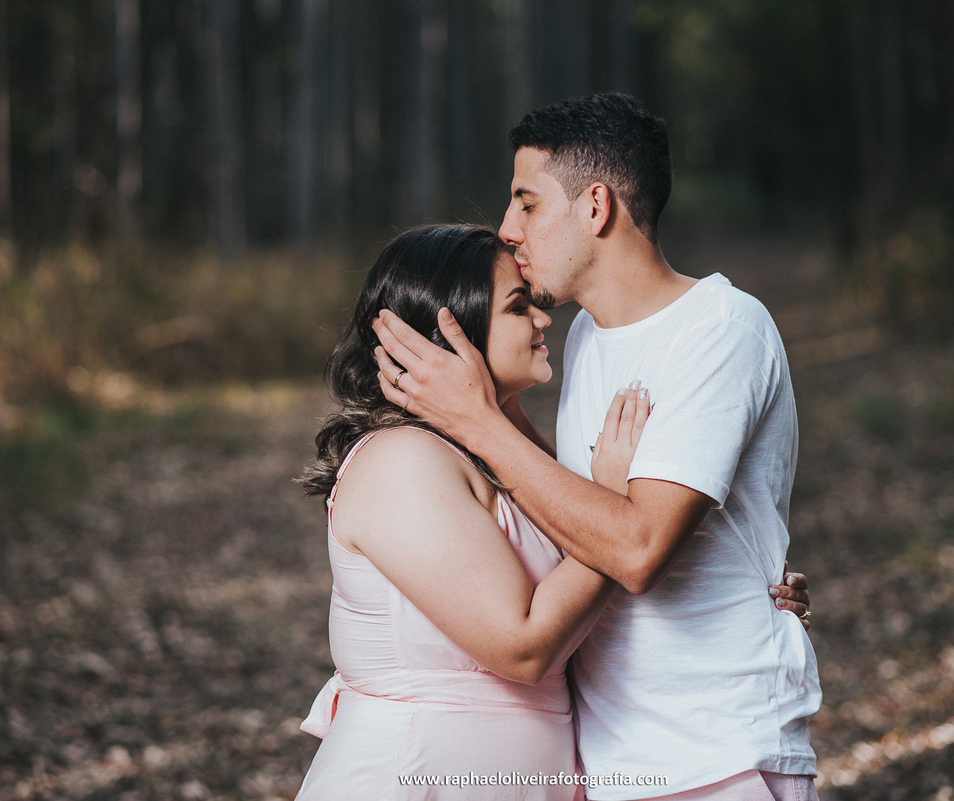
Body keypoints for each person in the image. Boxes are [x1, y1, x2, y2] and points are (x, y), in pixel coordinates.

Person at [373, 93, 822, 800]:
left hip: (716, 754)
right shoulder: (586, 336)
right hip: (612, 755)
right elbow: (572, 512)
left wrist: (482, 422)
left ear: (595, 206)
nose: (508, 229)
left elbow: (637, 551)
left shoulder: (721, 329)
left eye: (527, 203)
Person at [295, 223, 809, 800]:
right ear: (454, 330)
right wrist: (617, 507)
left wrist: (746, 588)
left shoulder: (493, 453)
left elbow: (584, 553)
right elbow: (525, 644)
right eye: (518, 307)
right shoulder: (401, 461)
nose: (542, 319)